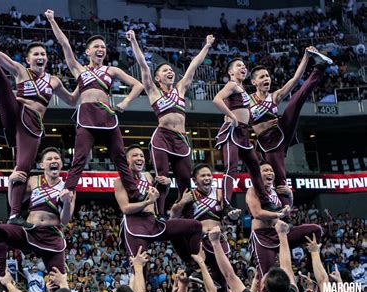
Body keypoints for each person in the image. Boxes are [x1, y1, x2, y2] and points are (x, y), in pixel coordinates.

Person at [0, 9, 78, 226]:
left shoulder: (54, 81)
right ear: (28, 59)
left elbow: (71, 100)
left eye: (43, 54)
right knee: (0, 80)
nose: (40, 57)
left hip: (31, 125)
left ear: (47, 59)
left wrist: (85, 83)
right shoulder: (21, 71)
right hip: (15, 111)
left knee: (21, 169)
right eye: (36, 55)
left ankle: (14, 214)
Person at [45, 9, 145, 204]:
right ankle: (68, 190)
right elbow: (64, 43)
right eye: (97, 46)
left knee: (120, 159)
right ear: (88, 51)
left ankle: (134, 192)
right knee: (80, 158)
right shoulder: (79, 70)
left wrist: (124, 102)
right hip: (87, 116)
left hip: (107, 116)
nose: (101, 49)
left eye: (104, 47)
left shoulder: (111, 69)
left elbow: (138, 85)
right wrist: (51, 20)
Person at [125, 30, 215, 216]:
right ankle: (157, 214)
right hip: (162, 138)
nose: (170, 72)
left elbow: (194, 65)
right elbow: (142, 64)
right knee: (162, 179)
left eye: (171, 70)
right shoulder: (153, 91)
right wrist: (133, 40)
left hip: (181, 139)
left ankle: (188, 215)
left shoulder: (181, 89)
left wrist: (206, 45)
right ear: (157, 78)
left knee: (184, 181)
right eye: (165, 70)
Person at [249, 48, 332, 206]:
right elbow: (243, 121)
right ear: (254, 82)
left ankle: (320, 67)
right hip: (270, 144)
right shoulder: (247, 101)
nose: (267, 79)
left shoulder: (275, 96)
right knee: (280, 180)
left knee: (296, 100)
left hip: (282, 129)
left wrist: (306, 56)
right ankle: (284, 211)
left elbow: (295, 79)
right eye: (262, 77)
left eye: (267, 76)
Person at [0, 147, 76, 275]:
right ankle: (1, 275)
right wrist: (11, 182)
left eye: (57, 158)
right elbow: (14, 204)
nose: (54, 160)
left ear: (61, 164)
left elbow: (64, 220)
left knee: (58, 284)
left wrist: (67, 202)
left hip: (51, 236)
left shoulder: (67, 187)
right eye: (49, 159)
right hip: (29, 231)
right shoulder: (34, 180)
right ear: (42, 165)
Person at [115, 144, 202, 265]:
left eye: (141, 155)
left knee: (195, 226)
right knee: (140, 268)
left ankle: (192, 264)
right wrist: (148, 202)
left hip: (153, 222)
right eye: (135, 155)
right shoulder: (119, 181)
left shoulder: (147, 176)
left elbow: (159, 197)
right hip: (136, 226)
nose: (140, 158)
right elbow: (125, 209)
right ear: (127, 160)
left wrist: (166, 185)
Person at [170, 163, 240, 292]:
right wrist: (182, 202)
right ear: (195, 180)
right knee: (202, 283)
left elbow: (228, 215)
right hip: (199, 242)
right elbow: (173, 216)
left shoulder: (219, 193)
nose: (207, 178)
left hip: (218, 241)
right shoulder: (189, 194)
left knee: (223, 280)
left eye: (209, 175)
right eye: (203, 175)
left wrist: (232, 215)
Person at [213, 58, 279, 213]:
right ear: (230, 72)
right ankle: (226, 204)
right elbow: (216, 100)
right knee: (232, 168)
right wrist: (232, 116)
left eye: (244, 66)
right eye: (238, 66)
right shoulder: (232, 84)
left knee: (255, 167)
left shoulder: (243, 90)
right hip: (232, 131)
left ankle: (265, 199)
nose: (243, 67)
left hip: (243, 133)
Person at [246, 161, 322, 283]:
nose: (269, 172)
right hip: (263, 236)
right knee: (266, 277)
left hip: (281, 233)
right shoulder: (253, 190)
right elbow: (257, 213)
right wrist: (279, 214)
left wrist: (290, 195)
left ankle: (310, 269)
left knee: (315, 230)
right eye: (265, 170)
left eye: (271, 170)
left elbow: (286, 209)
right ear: (257, 175)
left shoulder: (276, 191)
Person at [209, 221, 299, 292]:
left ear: (262, 287)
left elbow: (230, 276)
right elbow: (287, 269)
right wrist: (282, 234)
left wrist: (215, 242)